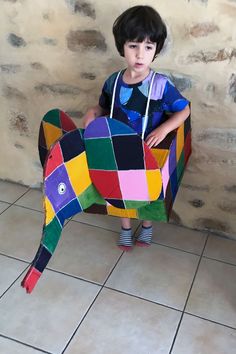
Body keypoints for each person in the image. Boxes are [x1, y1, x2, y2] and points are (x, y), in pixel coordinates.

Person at [83, 5, 190, 251]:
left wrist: (164, 130)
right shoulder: (113, 81)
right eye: (133, 46)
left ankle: (148, 225)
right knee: (119, 189)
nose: (140, 55)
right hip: (118, 149)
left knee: (147, 192)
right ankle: (125, 228)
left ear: (155, 51)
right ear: (122, 47)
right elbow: (102, 107)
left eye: (148, 47)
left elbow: (184, 109)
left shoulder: (160, 85)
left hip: (147, 151)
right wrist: (92, 113)